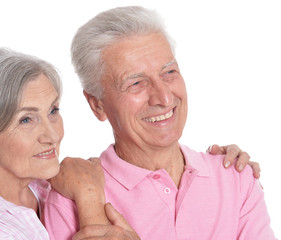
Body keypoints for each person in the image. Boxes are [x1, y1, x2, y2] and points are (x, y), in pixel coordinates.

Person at [44, 6, 276, 239]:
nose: (164, 98)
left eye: (169, 73)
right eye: (136, 83)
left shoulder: (236, 178)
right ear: (97, 105)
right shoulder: (71, 199)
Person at [0, 48, 138, 240]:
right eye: (26, 120)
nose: (53, 135)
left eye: (53, 111)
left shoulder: (40, 184)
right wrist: (89, 195)